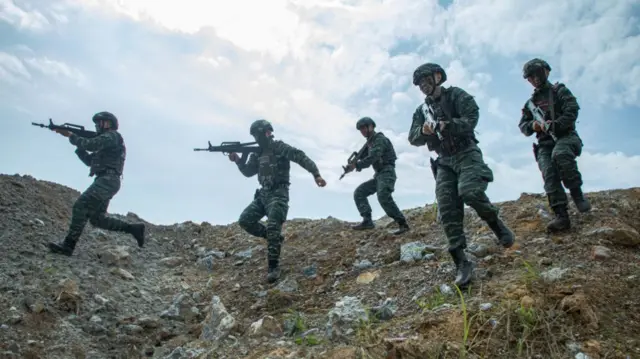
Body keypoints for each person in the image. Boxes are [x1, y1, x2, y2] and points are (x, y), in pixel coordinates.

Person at [408, 63, 515, 288]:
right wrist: (423, 131)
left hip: (466, 152)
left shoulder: (456, 95)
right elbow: (413, 137)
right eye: (419, 84)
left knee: (470, 192)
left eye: (426, 81)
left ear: (438, 77)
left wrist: (447, 125)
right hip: (444, 160)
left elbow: (471, 119)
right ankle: (461, 262)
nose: (424, 86)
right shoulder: (421, 111)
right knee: (447, 209)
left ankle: (497, 225)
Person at [229, 119, 326, 283]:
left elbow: (300, 157)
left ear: (267, 132)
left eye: (259, 134)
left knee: (274, 225)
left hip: (279, 193)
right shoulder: (257, 153)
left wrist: (316, 174)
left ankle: (273, 266)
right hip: (263, 195)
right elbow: (248, 172)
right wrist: (238, 161)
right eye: (256, 135)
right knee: (245, 220)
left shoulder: (279, 147)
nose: (259, 138)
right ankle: (273, 237)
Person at [48, 111, 145, 256]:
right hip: (106, 180)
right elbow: (89, 161)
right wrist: (78, 147)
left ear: (109, 124)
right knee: (97, 219)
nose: (97, 126)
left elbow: (91, 144)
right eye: (97, 123)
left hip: (108, 180)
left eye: (101, 122)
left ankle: (68, 246)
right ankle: (133, 228)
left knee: (81, 206)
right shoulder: (106, 145)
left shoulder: (113, 136)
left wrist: (71, 135)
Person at [519, 58, 591, 232]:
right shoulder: (531, 104)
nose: (534, 79)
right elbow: (523, 126)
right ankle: (561, 216)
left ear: (546, 72)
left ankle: (577, 194)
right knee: (549, 173)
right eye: (530, 77)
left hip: (566, 137)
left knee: (561, 155)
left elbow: (572, 110)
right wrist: (534, 125)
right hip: (544, 144)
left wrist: (555, 124)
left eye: (537, 74)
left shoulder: (559, 91)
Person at [348, 117, 410, 235]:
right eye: (360, 129)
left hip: (387, 172)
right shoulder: (370, 143)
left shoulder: (379, 139)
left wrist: (357, 165)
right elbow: (362, 156)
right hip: (379, 175)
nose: (362, 131)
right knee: (359, 192)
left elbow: (372, 158)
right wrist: (353, 165)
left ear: (371, 126)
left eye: (364, 128)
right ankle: (367, 221)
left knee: (383, 196)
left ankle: (403, 224)